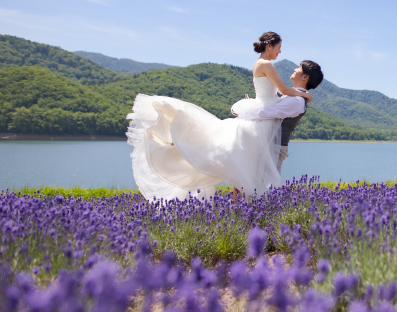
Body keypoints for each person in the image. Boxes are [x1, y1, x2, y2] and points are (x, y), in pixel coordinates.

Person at [126, 32, 312, 202]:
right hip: (261, 119)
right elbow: (283, 90)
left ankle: (239, 205)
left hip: (263, 111)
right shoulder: (266, 64)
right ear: (269, 46)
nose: (280, 52)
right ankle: (243, 205)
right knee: (247, 167)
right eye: (279, 48)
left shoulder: (260, 64)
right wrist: (305, 95)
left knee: (243, 166)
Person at [237, 60, 324, 173]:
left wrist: (243, 113)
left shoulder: (296, 101)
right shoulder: (294, 96)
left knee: (267, 184)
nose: (294, 69)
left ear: (305, 76)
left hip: (275, 146)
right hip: (270, 144)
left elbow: (267, 113)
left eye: (299, 68)